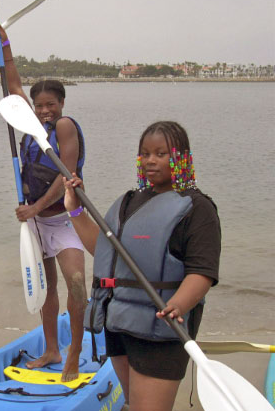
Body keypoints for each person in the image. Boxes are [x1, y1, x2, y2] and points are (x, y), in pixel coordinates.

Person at [63, 121, 220, 411]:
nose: (150, 160)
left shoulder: (198, 209)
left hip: (161, 327)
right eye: (145, 153)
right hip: (120, 323)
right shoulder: (129, 202)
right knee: (135, 405)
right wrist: (74, 208)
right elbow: (103, 251)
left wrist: (178, 305)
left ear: (181, 157)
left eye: (161, 153)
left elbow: (203, 271)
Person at [0, 23, 87, 381]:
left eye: (51, 105)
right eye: (40, 105)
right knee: (45, 289)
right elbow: (14, 87)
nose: (45, 110)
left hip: (64, 220)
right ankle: (51, 349)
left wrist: (34, 207)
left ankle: (74, 353)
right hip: (35, 225)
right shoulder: (28, 121)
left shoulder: (64, 126)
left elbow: (66, 174)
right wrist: (6, 44)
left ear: (61, 104)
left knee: (77, 282)